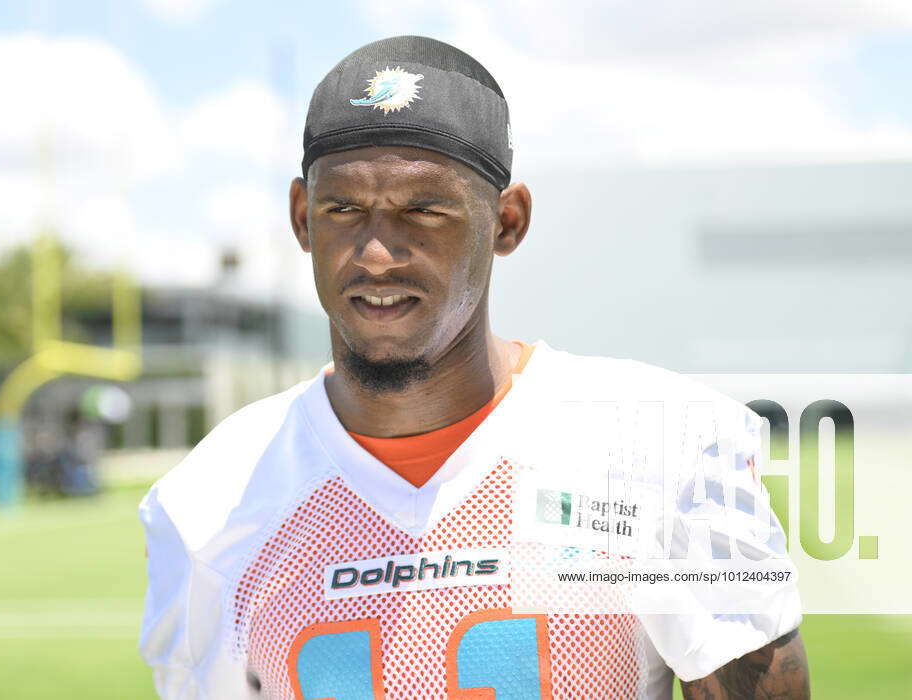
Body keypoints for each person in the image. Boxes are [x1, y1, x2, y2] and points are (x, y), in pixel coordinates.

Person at [139, 35, 809, 699]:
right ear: (302, 218)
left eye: (424, 210)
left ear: (507, 221)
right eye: (343, 209)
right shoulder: (209, 502)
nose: (376, 254)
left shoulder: (663, 448)